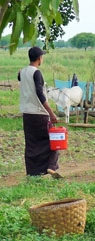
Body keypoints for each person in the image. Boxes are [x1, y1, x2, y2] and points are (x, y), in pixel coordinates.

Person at [18, 46, 62, 179]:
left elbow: (19, 76)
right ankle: (51, 166)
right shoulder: (37, 73)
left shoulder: (23, 72)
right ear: (39, 58)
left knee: (31, 144)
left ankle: (32, 173)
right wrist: (51, 112)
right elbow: (40, 93)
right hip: (40, 113)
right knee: (53, 140)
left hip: (27, 114)